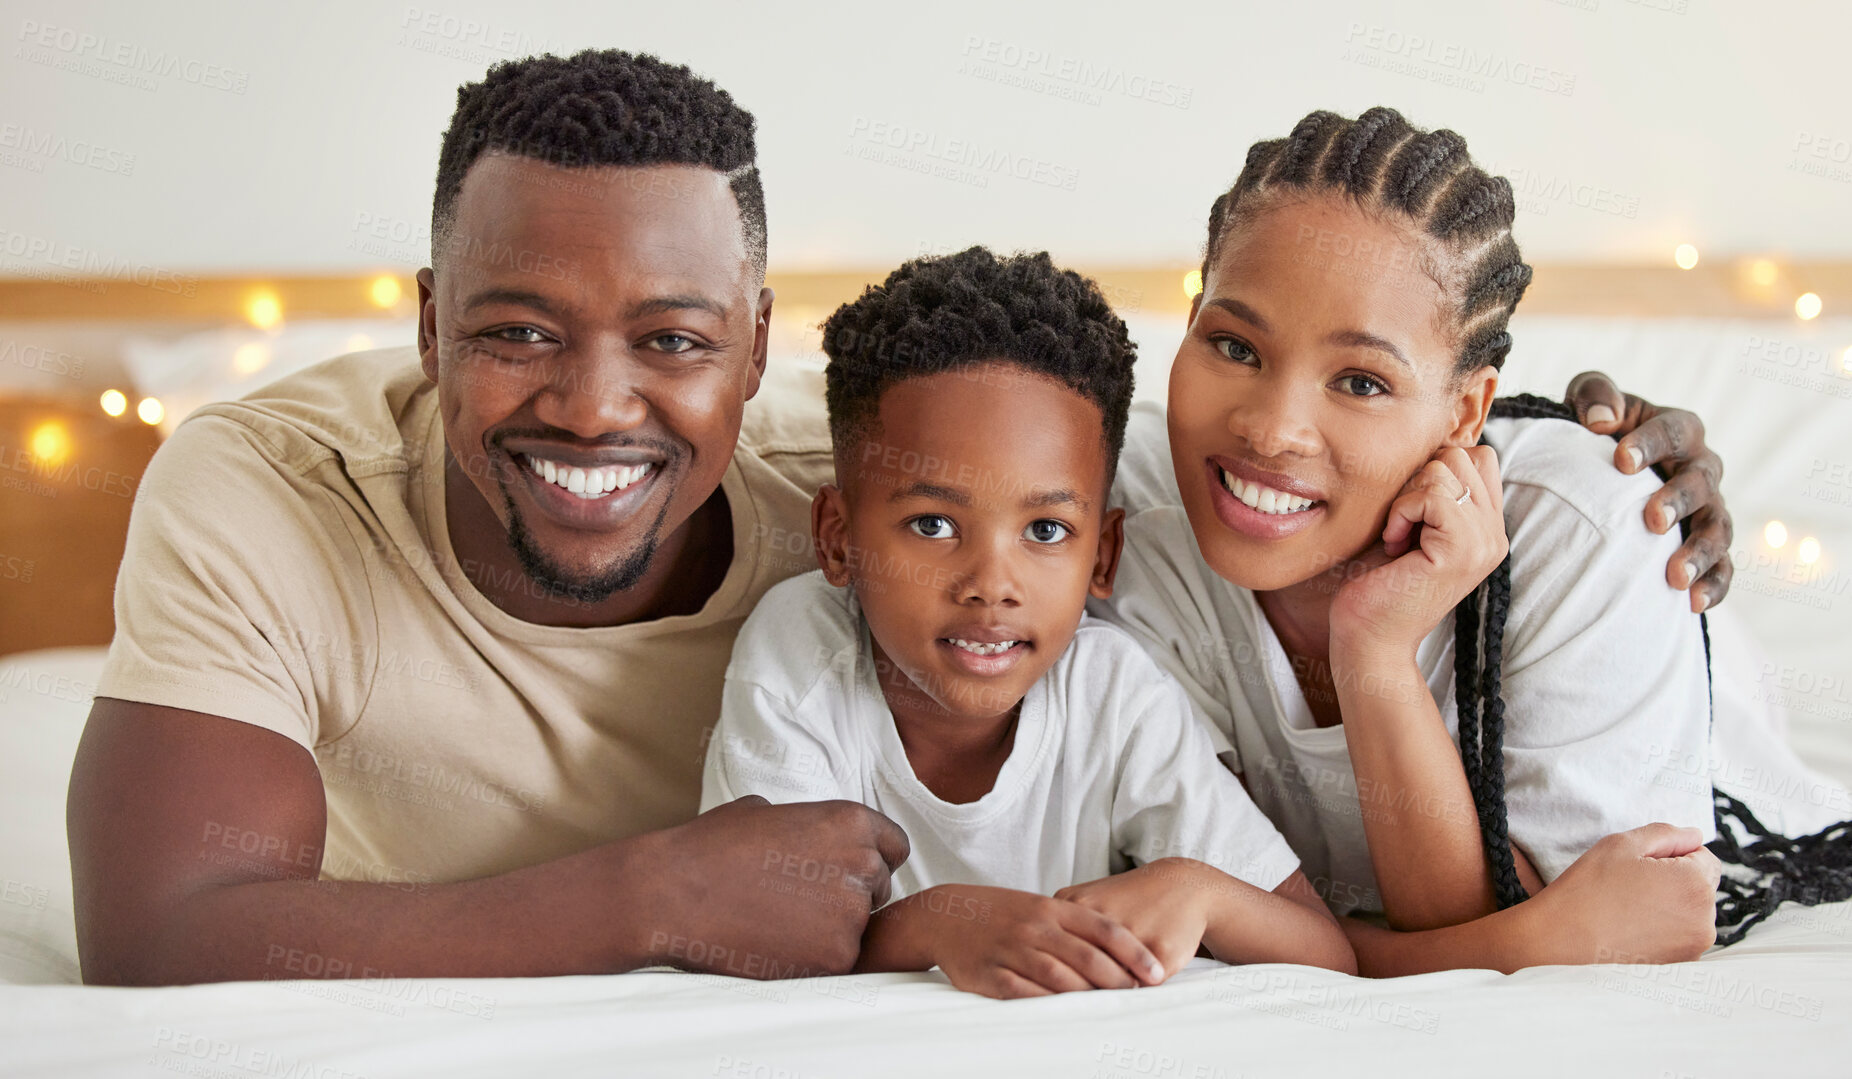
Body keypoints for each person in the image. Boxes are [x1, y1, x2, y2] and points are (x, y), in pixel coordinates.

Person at [64, 50, 1736, 986]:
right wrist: (651, 891)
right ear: (425, 320)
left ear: (760, 350)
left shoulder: (909, 474)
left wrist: (1570, 435)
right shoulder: (265, 490)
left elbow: (1229, 440)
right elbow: (158, 928)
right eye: (512, 329)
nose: (596, 403)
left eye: (673, 339)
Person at [1089, 107, 1836, 976]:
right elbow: (1288, 919)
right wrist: (1537, 939)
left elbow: (1566, 922)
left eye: (1362, 380)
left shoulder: (1592, 533)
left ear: (1467, 412)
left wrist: (1373, 648)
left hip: (1682, 708)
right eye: (1233, 344)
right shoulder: (1100, 526)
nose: (1270, 429)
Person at [702, 248, 1355, 998]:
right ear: (837, 538)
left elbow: (1326, 954)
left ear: (1102, 556)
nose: (991, 586)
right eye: (932, 524)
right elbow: (752, 934)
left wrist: (1197, 889)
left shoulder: (1113, 693)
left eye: (1045, 531)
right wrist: (939, 920)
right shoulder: (800, 653)